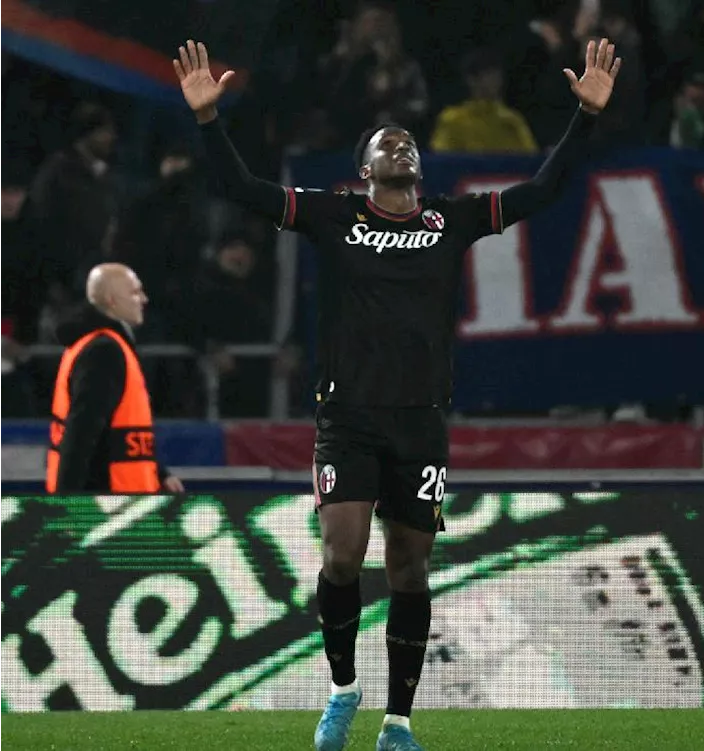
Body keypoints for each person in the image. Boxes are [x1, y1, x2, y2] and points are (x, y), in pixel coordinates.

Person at [173, 37, 620, 751]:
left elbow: (542, 192)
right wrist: (207, 122)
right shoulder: (332, 215)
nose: (399, 145)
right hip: (346, 417)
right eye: (386, 141)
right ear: (365, 168)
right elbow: (241, 191)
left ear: (417, 166)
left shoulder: (453, 219)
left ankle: (400, 721)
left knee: (409, 564)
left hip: (420, 421)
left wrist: (586, 119)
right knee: (341, 556)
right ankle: (343, 688)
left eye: (407, 140)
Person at [46, 263, 185, 494]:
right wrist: (66, 509)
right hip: (108, 505)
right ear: (111, 300)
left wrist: (159, 472)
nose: (144, 298)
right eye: (134, 292)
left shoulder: (96, 344)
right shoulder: (104, 350)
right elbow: (81, 433)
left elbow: (115, 434)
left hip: (116, 499)